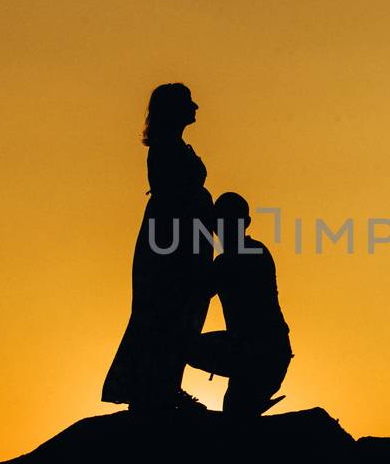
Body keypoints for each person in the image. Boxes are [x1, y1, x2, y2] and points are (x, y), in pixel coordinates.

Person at [101, 82, 215, 414]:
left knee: (183, 312)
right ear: (174, 109)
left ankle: (166, 387)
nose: (196, 108)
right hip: (171, 240)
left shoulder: (177, 146)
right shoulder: (166, 148)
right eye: (188, 103)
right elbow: (173, 197)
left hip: (186, 237)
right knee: (164, 311)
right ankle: (154, 390)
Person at [187, 192, 293, 416]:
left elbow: (197, 289)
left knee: (183, 347)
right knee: (236, 414)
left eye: (228, 223)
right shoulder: (254, 252)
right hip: (264, 353)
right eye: (219, 224)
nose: (223, 230)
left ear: (244, 224)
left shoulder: (240, 257)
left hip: (257, 351)